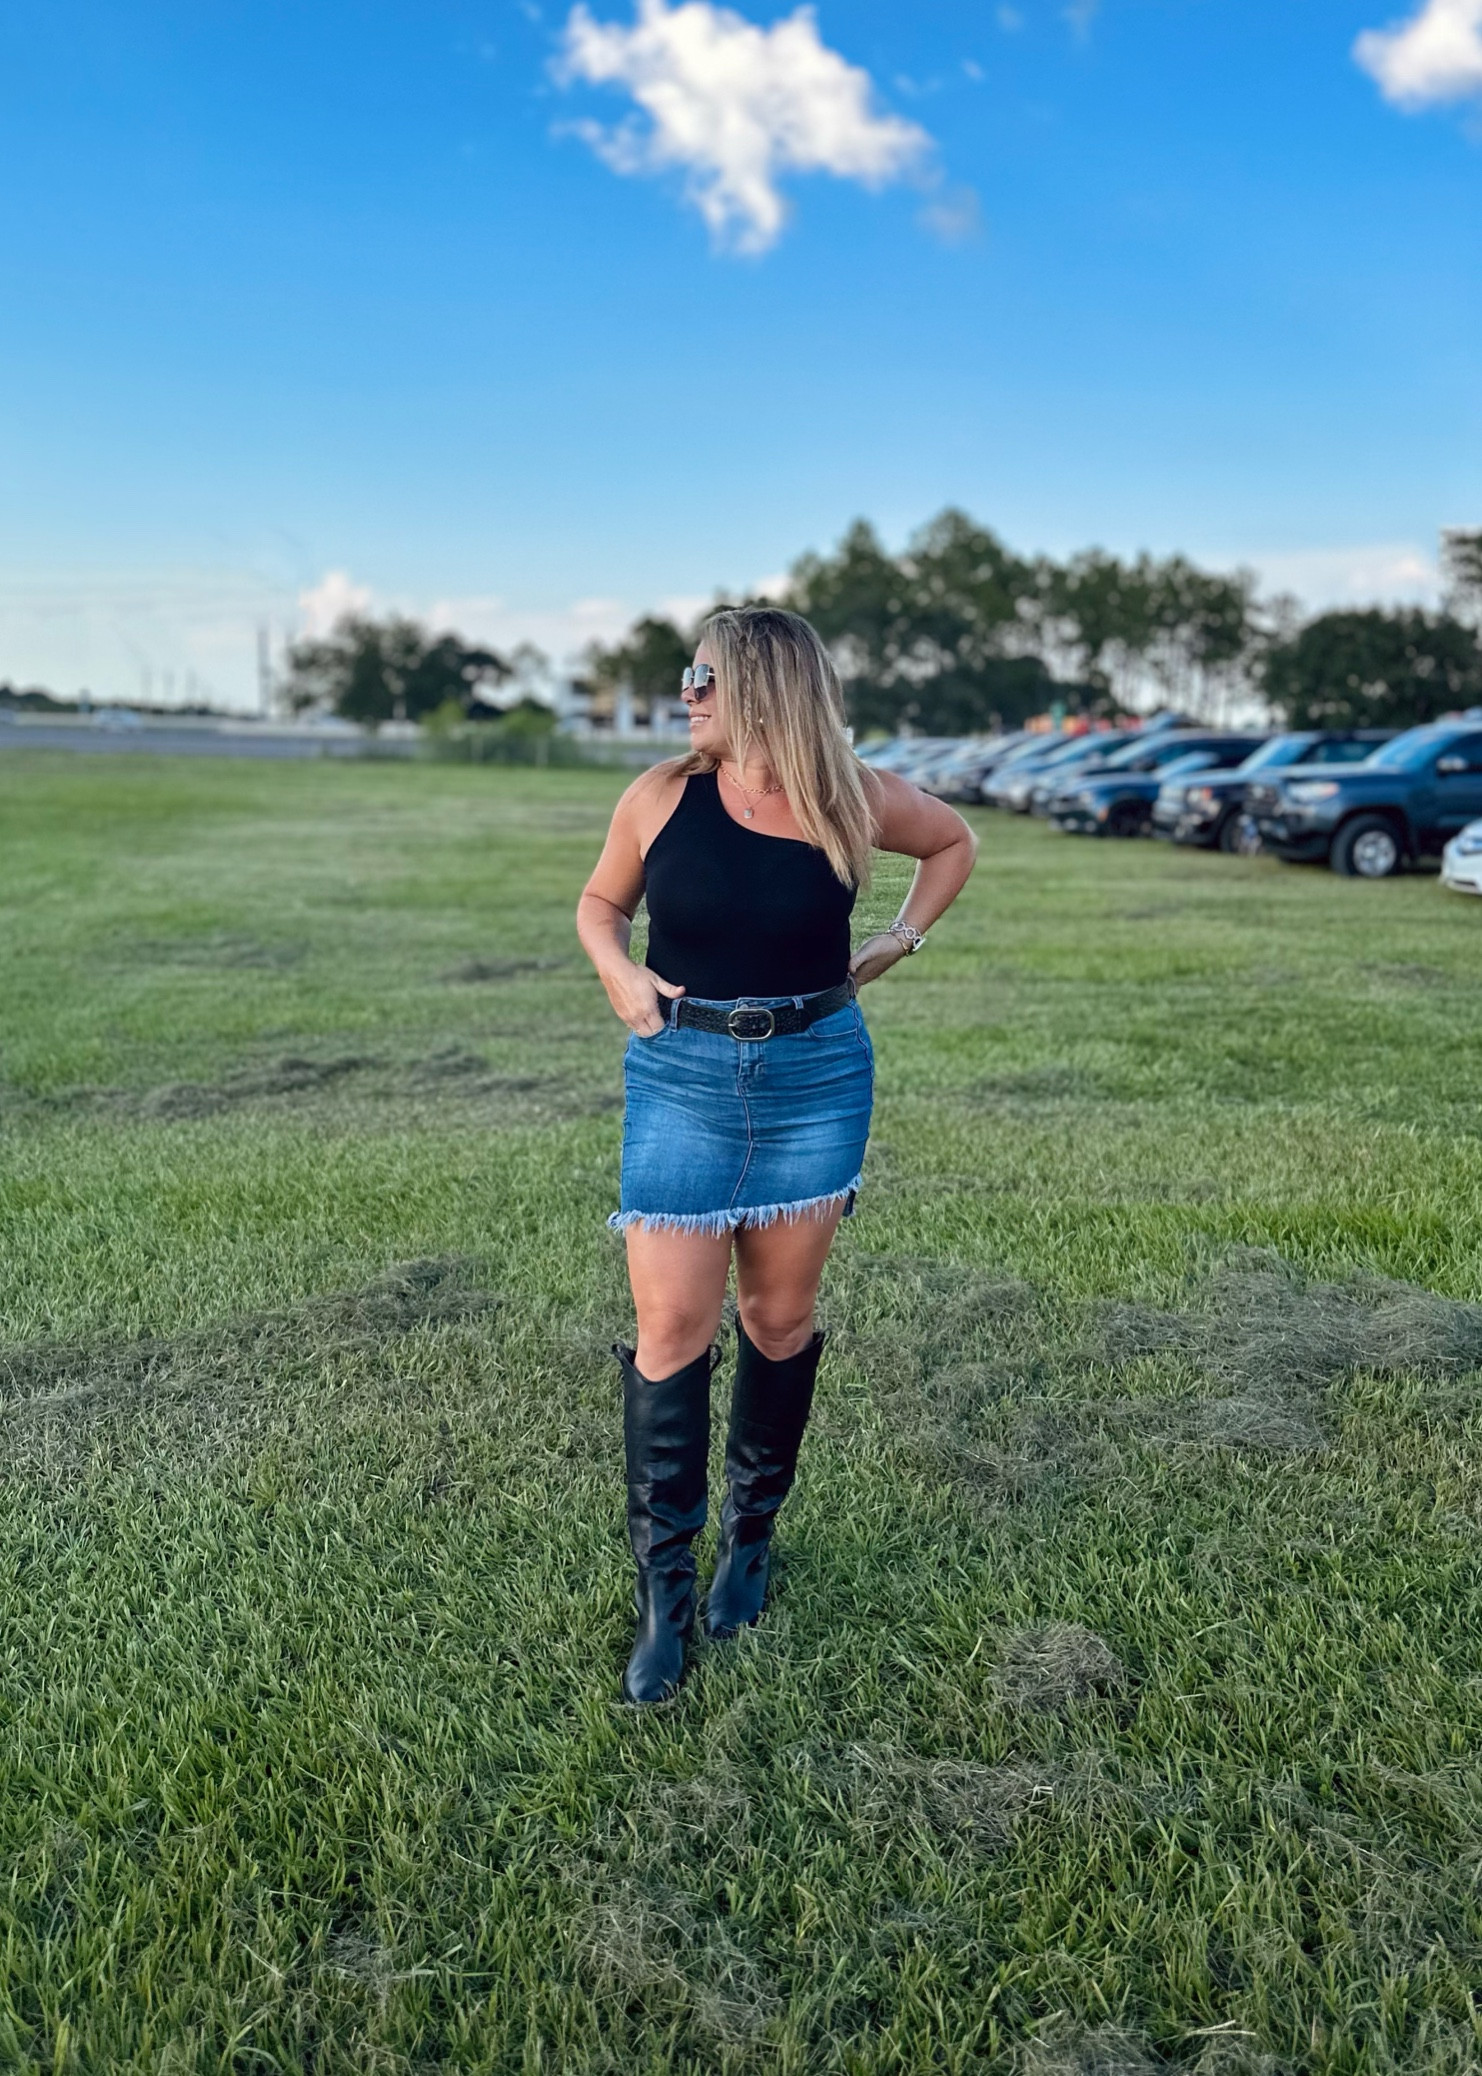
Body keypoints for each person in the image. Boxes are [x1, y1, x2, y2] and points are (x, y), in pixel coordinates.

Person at [576, 606, 978, 1704]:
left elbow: (955, 842)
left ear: (764, 684)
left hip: (816, 1075)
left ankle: (748, 1547)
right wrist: (612, 962)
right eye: (686, 676)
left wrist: (893, 944)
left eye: (704, 675)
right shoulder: (660, 794)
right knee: (672, 1328)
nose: (688, 693)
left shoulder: (851, 792)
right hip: (683, 1076)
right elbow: (600, 902)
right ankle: (665, 1593)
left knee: (778, 1321)